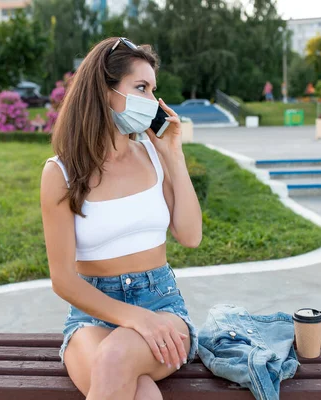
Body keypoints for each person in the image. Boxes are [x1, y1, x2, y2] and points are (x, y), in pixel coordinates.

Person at [40, 37, 202, 399]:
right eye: (140, 88)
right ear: (104, 90)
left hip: (161, 304)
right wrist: (132, 317)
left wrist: (174, 155)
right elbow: (63, 279)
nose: (151, 102)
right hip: (91, 314)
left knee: (114, 356)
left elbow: (190, 236)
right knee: (142, 394)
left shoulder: (153, 155)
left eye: (153, 90)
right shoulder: (61, 172)